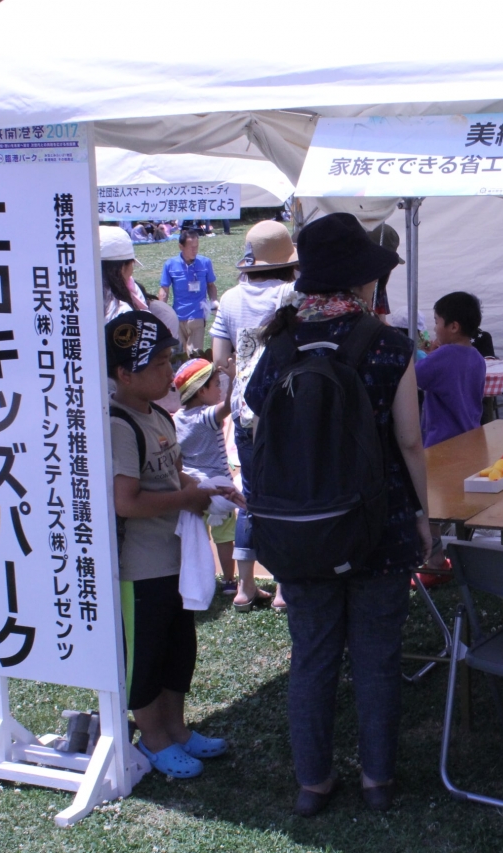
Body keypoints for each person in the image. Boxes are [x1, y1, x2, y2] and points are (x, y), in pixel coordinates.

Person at [244, 212, 431, 816]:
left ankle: (313, 782)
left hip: (300, 527)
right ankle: (377, 780)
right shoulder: (389, 345)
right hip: (381, 524)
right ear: (360, 280)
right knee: (377, 656)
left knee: (312, 655)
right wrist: (424, 515)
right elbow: (409, 442)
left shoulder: (279, 344)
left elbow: (256, 427)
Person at [106, 311, 237, 779]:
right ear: (124, 374)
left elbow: (174, 473)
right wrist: (187, 498)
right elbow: (126, 501)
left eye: (168, 360)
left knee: (179, 648)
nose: (169, 372)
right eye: (158, 364)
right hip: (140, 568)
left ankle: (177, 729)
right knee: (146, 656)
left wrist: (209, 489)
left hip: (175, 557)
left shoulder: (159, 414)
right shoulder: (119, 425)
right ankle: (154, 738)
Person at [212, 220, 298, 613]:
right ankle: (282, 587)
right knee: (286, 494)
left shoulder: (230, 298)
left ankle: (245, 587)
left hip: (243, 410)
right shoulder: (290, 293)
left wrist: (242, 369)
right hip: (285, 411)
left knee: (250, 495)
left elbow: (219, 359)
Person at [171, 357, 243, 604]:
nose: (220, 389)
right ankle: (229, 581)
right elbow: (229, 406)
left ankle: (192, 578)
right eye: (216, 384)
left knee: (193, 536)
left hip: (192, 487)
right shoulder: (205, 416)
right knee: (224, 535)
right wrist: (234, 378)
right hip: (218, 488)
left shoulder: (177, 419)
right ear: (201, 391)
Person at [415, 291, 487, 447]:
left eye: (436, 322)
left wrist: (429, 356)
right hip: (470, 436)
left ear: (454, 326)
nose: (434, 328)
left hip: (442, 442)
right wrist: (433, 356)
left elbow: (414, 376)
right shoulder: (478, 357)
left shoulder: (444, 354)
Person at [160, 229, 218, 356]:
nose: (194, 250)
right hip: (177, 317)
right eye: (191, 247)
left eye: (196, 246)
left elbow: (211, 285)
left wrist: (213, 302)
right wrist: (161, 312)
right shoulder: (170, 265)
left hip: (197, 316)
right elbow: (164, 290)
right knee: (178, 356)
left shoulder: (205, 262)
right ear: (181, 247)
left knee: (194, 356)